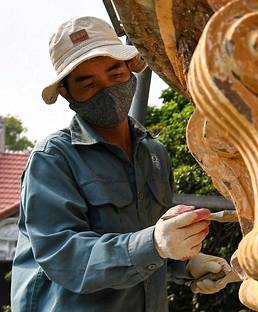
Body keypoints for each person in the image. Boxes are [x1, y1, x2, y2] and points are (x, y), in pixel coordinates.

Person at [11, 16, 232, 312]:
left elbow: (147, 251)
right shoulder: (53, 158)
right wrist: (154, 243)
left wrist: (186, 265)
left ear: (130, 69)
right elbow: (63, 256)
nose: (108, 89)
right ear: (66, 93)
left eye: (114, 74)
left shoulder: (154, 154)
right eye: (88, 83)